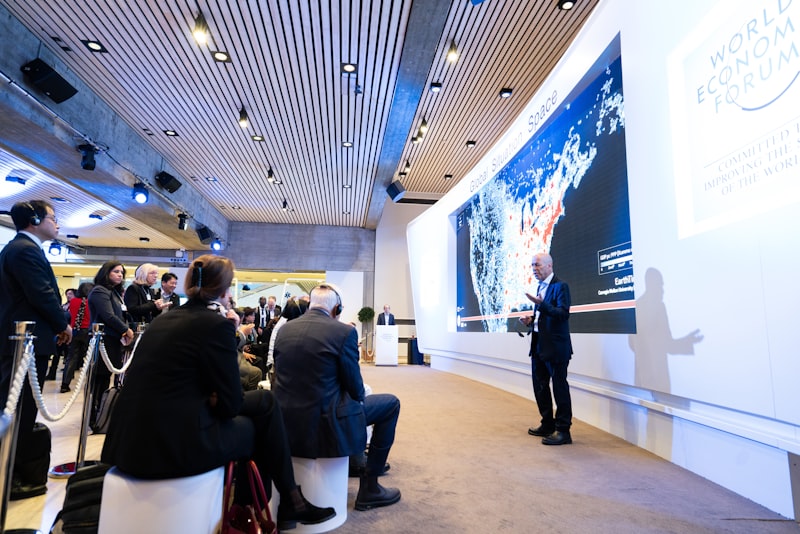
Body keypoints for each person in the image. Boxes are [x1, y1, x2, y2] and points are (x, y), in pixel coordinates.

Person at [101, 255, 335, 531]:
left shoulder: (163, 321)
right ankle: (266, 505)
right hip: (174, 446)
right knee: (261, 421)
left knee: (265, 402)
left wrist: (214, 394)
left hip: (127, 442)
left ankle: (276, 503)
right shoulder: (215, 325)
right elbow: (229, 404)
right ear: (224, 291)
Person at [273, 284, 401, 511]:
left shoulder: (284, 330)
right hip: (325, 423)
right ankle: (370, 487)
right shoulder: (344, 332)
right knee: (390, 404)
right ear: (337, 309)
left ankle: (357, 462)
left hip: (285, 421)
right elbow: (356, 389)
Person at [0, 200, 72, 500]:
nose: (57, 224)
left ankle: (12, 472)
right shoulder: (25, 250)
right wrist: (62, 324)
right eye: (53, 218)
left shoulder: (22, 248)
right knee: (20, 410)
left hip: (26, 341)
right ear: (34, 219)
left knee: (20, 409)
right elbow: (41, 294)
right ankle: (11, 477)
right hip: (24, 343)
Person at [519, 252, 574, 445]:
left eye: (538, 265)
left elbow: (562, 314)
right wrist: (531, 321)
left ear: (549, 265)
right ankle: (547, 424)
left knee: (559, 388)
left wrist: (542, 304)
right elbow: (544, 318)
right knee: (540, 387)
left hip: (556, 348)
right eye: (532, 265)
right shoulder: (540, 287)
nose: (534, 269)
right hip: (539, 346)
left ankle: (563, 431)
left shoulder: (560, 286)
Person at [88, 261, 134, 429]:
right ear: (106, 273)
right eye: (116, 271)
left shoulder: (114, 292)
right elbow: (108, 316)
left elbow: (120, 315)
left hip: (113, 340)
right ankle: (94, 417)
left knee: (106, 378)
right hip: (102, 340)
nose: (120, 275)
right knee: (99, 380)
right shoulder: (100, 290)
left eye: (121, 272)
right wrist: (126, 330)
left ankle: (103, 415)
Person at [60, 282, 94, 393]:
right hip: (88, 331)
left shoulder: (73, 301)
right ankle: (90, 383)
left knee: (71, 358)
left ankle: (65, 384)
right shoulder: (91, 302)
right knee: (90, 358)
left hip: (75, 330)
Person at [46, 288, 75, 380]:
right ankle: (52, 373)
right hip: (61, 331)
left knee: (69, 355)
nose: (68, 296)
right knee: (57, 353)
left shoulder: (75, 305)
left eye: (70, 294)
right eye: (67, 294)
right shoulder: (64, 305)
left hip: (70, 331)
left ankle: (68, 376)